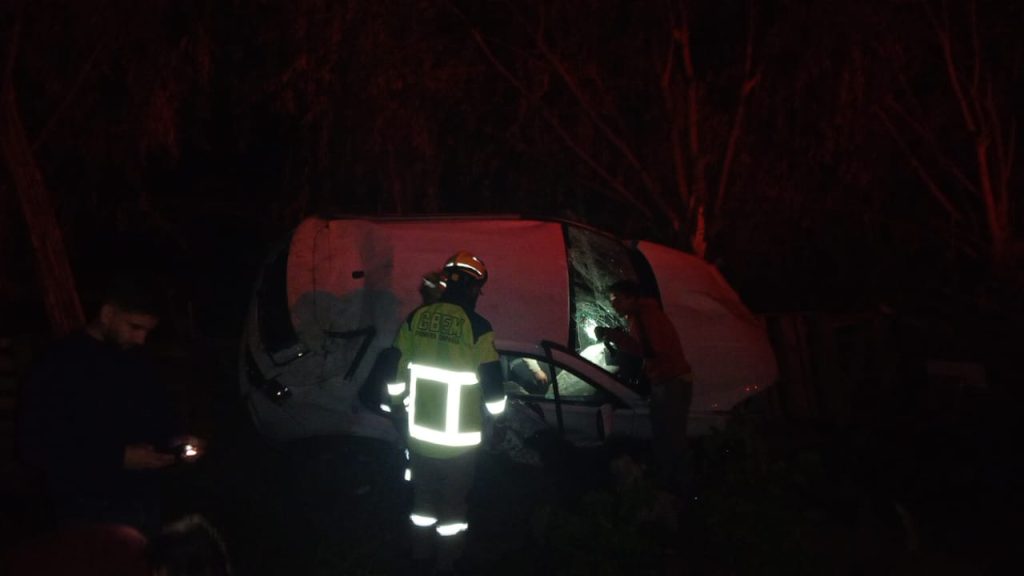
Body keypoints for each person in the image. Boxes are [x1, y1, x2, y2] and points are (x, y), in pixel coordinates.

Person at [17, 269, 205, 535]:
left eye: (147, 331)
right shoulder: (59, 365)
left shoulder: (139, 363)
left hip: (143, 503)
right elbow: (39, 445)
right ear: (107, 315)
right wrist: (117, 457)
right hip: (87, 508)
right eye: (134, 327)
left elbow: (159, 415)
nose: (141, 339)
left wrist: (177, 441)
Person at [385, 251, 506, 575]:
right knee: (452, 511)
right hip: (460, 444)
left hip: (420, 436)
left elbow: (395, 371)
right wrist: (498, 417)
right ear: (472, 288)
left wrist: (397, 408)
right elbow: (493, 385)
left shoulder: (416, 319)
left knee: (422, 505)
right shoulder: (478, 327)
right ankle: (447, 563)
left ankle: (419, 557)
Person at [595, 280, 692, 491]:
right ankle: (673, 485)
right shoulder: (639, 316)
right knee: (666, 436)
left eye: (617, 300)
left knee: (669, 438)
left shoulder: (645, 316)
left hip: (670, 381)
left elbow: (649, 350)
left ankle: (675, 489)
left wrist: (615, 336)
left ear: (631, 298)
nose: (614, 305)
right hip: (667, 380)